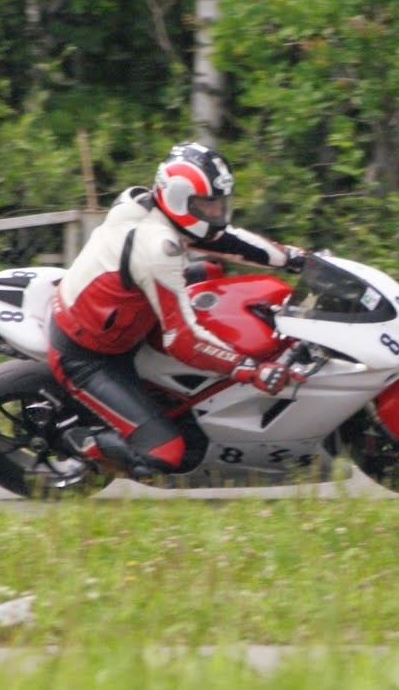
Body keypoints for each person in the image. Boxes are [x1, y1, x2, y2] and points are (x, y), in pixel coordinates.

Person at [48, 141, 308, 479]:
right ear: (178, 200)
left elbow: (227, 239)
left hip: (123, 315)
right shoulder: (158, 246)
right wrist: (249, 370)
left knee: (211, 272)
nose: (217, 211)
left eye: (219, 202)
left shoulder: (151, 206)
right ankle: (80, 443)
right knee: (164, 453)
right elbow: (182, 340)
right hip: (90, 354)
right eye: (207, 204)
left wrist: (295, 258)